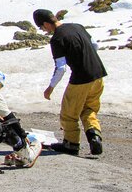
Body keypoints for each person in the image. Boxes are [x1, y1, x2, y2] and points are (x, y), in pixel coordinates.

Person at [33, 9, 106, 156]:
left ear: (46, 24)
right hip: (98, 74)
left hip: (80, 79)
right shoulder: (78, 26)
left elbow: (61, 68)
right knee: (89, 108)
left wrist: (50, 88)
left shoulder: (57, 39)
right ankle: (94, 135)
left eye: (42, 27)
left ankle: (71, 144)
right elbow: (95, 45)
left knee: (69, 113)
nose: (44, 30)